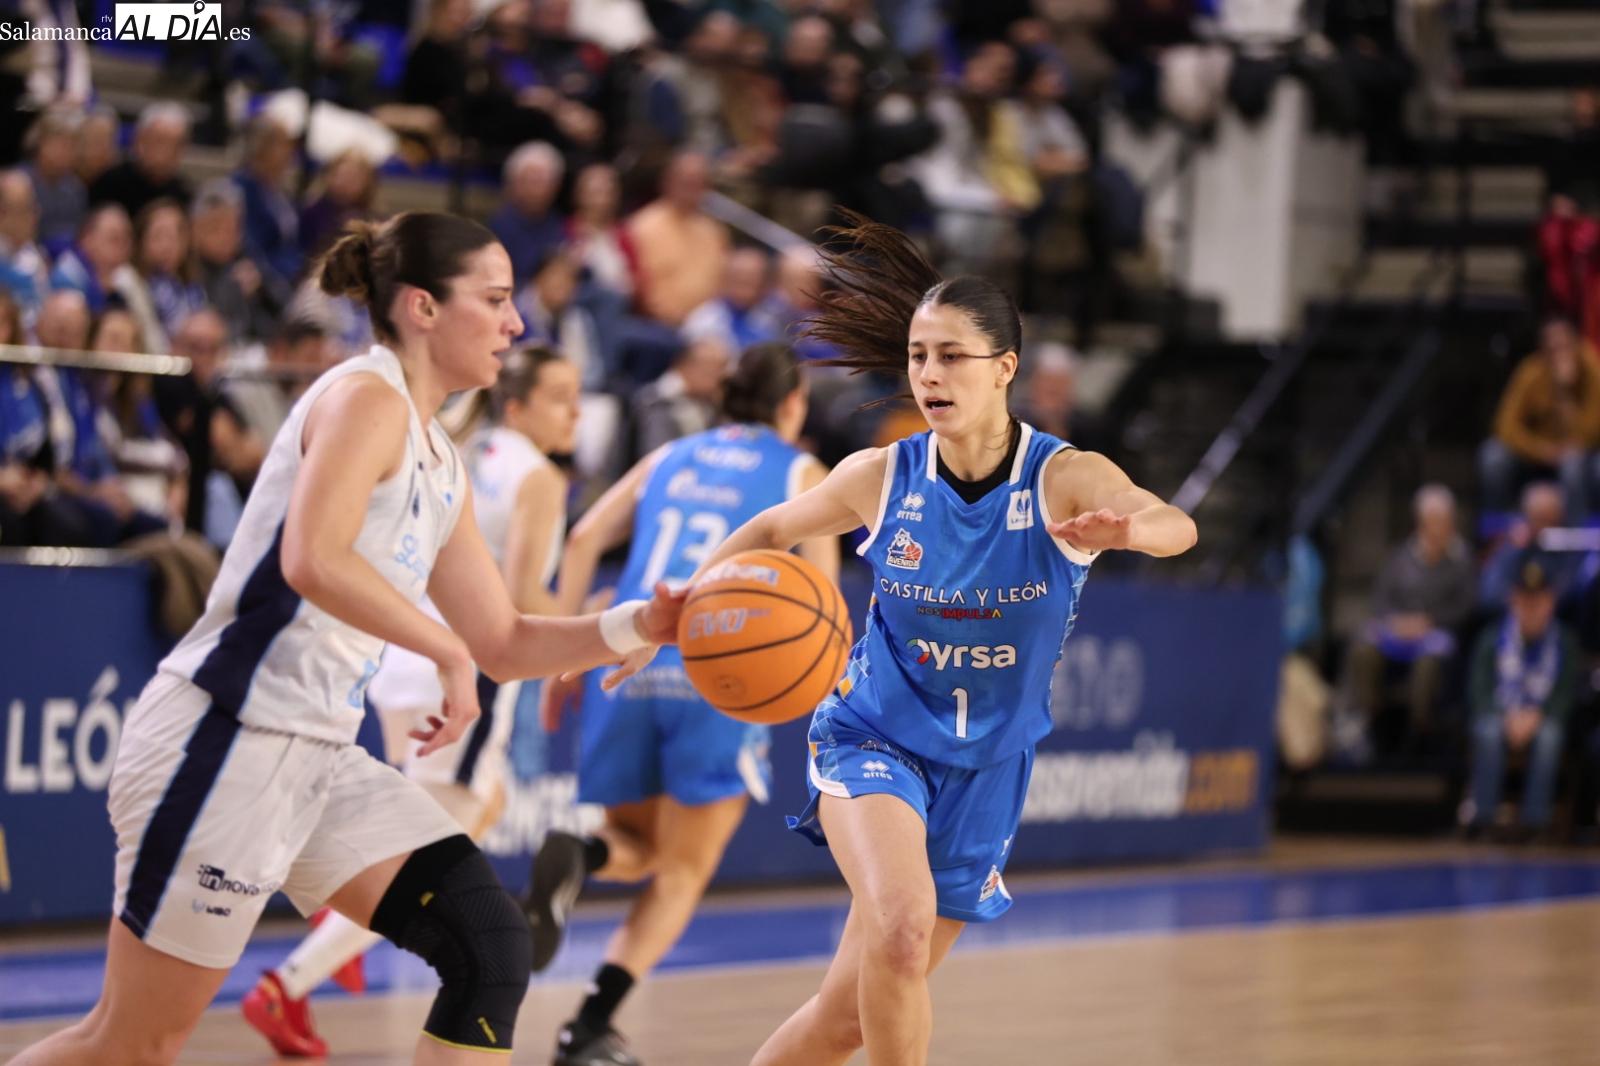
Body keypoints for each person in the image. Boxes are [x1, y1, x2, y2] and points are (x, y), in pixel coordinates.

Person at [5, 211, 683, 1066]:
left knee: (488, 946)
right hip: (225, 739)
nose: (517, 323)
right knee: (131, 1043)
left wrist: (637, 624)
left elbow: (504, 638)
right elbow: (312, 558)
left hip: (317, 753)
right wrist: (442, 650)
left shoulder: (440, 458)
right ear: (422, 308)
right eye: (498, 299)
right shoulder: (366, 396)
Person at [597, 217, 1193, 1066]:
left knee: (846, 1018)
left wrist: (1133, 533)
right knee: (904, 931)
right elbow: (767, 527)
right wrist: (676, 618)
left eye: (951, 355)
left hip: (988, 764)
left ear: (1005, 369)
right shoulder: (882, 475)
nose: (929, 374)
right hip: (871, 736)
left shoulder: (1063, 477)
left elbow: (1178, 523)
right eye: (918, 355)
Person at [240, 345, 585, 1058]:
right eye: (560, 398)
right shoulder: (538, 478)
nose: (574, 413)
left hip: (402, 656)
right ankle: (293, 979)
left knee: (458, 823)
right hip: (464, 669)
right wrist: (598, 614)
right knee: (439, 858)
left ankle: (330, 941)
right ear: (517, 406)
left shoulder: (457, 444)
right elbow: (523, 601)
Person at [528, 340, 839, 1066]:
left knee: (639, 848)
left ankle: (581, 853)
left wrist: (558, 665)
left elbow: (582, 537)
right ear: (792, 405)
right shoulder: (800, 469)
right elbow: (820, 603)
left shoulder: (669, 456)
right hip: (721, 669)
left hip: (626, 655)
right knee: (682, 872)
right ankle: (587, 1026)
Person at [1336, 484, 1476, 761]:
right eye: (1432, 522)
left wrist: (1430, 620)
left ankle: (1419, 727)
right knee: (1363, 645)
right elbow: (1379, 599)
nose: (1438, 529)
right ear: (1420, 522)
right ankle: (1367, 716)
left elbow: (1468, 606)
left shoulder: (1462, 559)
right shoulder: (1400, 556)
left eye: (1443, 522)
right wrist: (1398, 622)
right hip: (1398, 630)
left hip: (1437, 632)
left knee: (1431, 658)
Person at [1463, 552, 1580, 841]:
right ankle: (1484, 820)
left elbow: (1567, 691)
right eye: (1524, 600)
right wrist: (1505, 715)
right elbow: (1479, 689)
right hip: (1501, 713)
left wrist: (1539, 714)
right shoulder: (1492, 638)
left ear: (1550, 602)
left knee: (1550, 737)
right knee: (1488, 733)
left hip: (1543, 715)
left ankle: (1536, 823)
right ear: (1512, 600)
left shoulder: (1564, 641)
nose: (1531, 607)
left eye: (1538, 600)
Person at [1479, 316, 1600, 518]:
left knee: (1573, 464)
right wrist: (1541, 450)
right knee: (1492, 457)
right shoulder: (1531, 371)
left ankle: (1575, 542)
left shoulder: (1592, 370)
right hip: (1536, 456)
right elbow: (1505, 426)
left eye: (1564, 347)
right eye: (1551, 350)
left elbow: (1592, 432)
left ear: (1577, 346)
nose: (1559, 356)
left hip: (1581, 456)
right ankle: (1494, 539)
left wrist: (1565, 394)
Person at [86, 102, 193, 220]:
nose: (165, 151)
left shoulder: (183, 193)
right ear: (139, 139)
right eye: (159, 141)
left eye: (175, 144)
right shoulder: (110, 184)